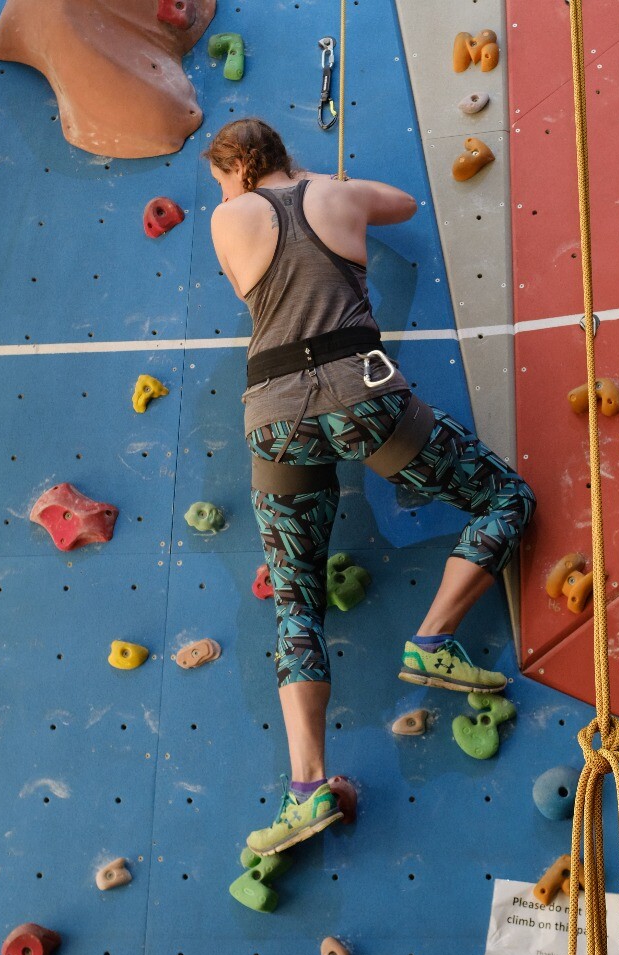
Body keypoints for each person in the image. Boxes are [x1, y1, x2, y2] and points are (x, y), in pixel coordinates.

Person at [204, 118, 535, 856]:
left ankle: (306, 785)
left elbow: (245, 287)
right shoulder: (338, 194)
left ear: (235, 170)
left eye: (221, 176)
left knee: (297, 603)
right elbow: (403, 206)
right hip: (363, 395)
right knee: (505, 499)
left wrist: (260, 193)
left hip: (276, 414)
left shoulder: (229, 217)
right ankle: (433, 638)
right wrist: (318, 181)